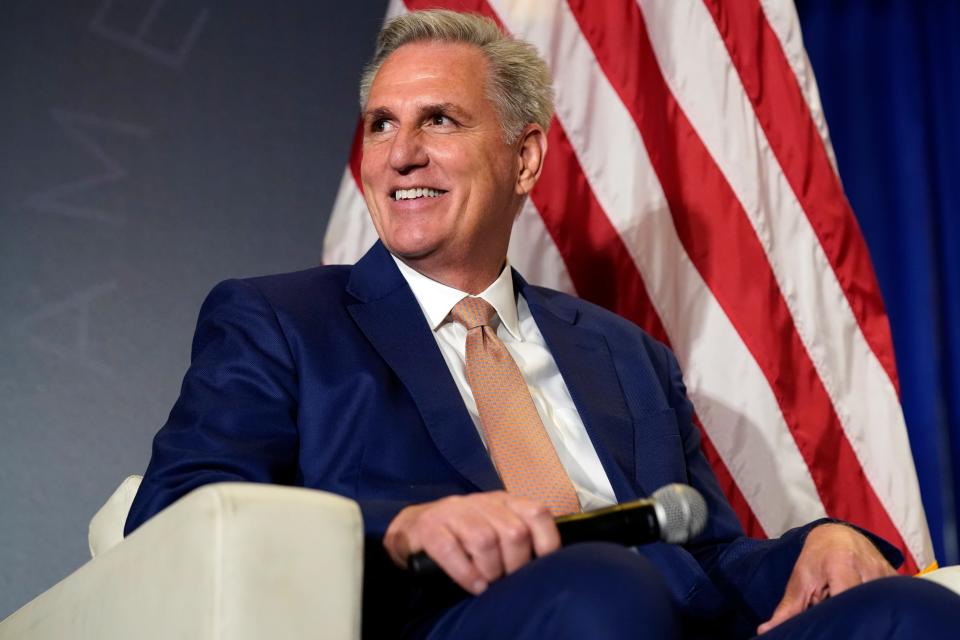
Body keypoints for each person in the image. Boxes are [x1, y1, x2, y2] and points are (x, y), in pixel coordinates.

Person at [125, 9, 957, 639]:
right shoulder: (280, 320)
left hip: (657, 618)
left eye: (439, 120)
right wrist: (400, 525)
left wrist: (821, 540)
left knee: (908, 610)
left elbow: (703, 551)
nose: (399, 153)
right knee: (602, 588)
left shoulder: (628, 354)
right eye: (382, 123)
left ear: (525, 157)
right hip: (468, 621)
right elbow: (176, 510)